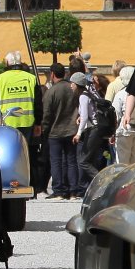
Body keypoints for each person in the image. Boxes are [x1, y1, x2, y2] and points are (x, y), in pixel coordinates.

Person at [0, 51, 39, 186]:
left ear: (7, 63)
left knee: (9, 154)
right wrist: (39, 123)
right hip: (28, 122)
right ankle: (32, 186)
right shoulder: (31, 78)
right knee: (29, 156)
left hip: (7, 123)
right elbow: (38, 103)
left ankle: (9, 183)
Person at [40, 65, 80, 197]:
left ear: (52, 74)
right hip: (72, 130)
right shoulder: (73, 89)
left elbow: (46, 114)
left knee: (56, 161)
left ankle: (59, 190)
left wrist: (45, 129)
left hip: (55, 131)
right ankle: (73, 190)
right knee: (71, 161)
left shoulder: (51, 92)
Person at [110, 64, 135, 165]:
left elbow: (116, 115)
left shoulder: (121, 94)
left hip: (124, 130)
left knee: (122, 162)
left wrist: (112, 133)